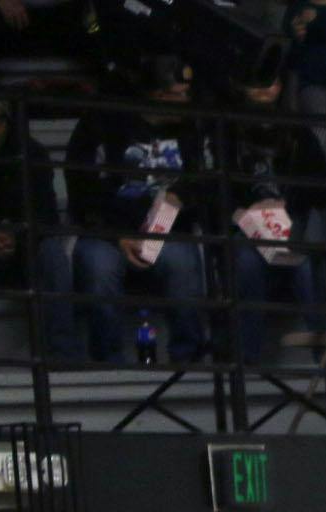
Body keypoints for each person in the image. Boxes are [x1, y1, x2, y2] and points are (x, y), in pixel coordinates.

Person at [67, 56, 213, 364]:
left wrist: (181, 194)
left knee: (183, 264)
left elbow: (206, 180)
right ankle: (108, 362)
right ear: (158, 96)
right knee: (98, 268)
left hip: (167, 233)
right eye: (181, 95)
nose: (189, 101)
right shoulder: (103, 122)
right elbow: (82, 190)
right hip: (106, 234)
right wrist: (118, 235)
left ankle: (188, 360)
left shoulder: (193, 128)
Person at [0, 95, 82, 361]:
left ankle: (63, 358)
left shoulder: (32, 153)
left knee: (52, 253)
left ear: (9, 123)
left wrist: (16, 236)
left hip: (22, 252)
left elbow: (46, 216)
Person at [224, 70, 326, 363]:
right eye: (255, 80)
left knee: (305, 265)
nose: (263, 87)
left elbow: (322, 182)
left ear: (281, 85)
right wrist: (241, 212)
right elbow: (214, 188)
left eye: (269, 79)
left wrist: (287, 203)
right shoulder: (227, 130)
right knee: (246, 262)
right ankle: (248, 361)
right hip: (245, 227)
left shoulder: (296, 129)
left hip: (292, 223)